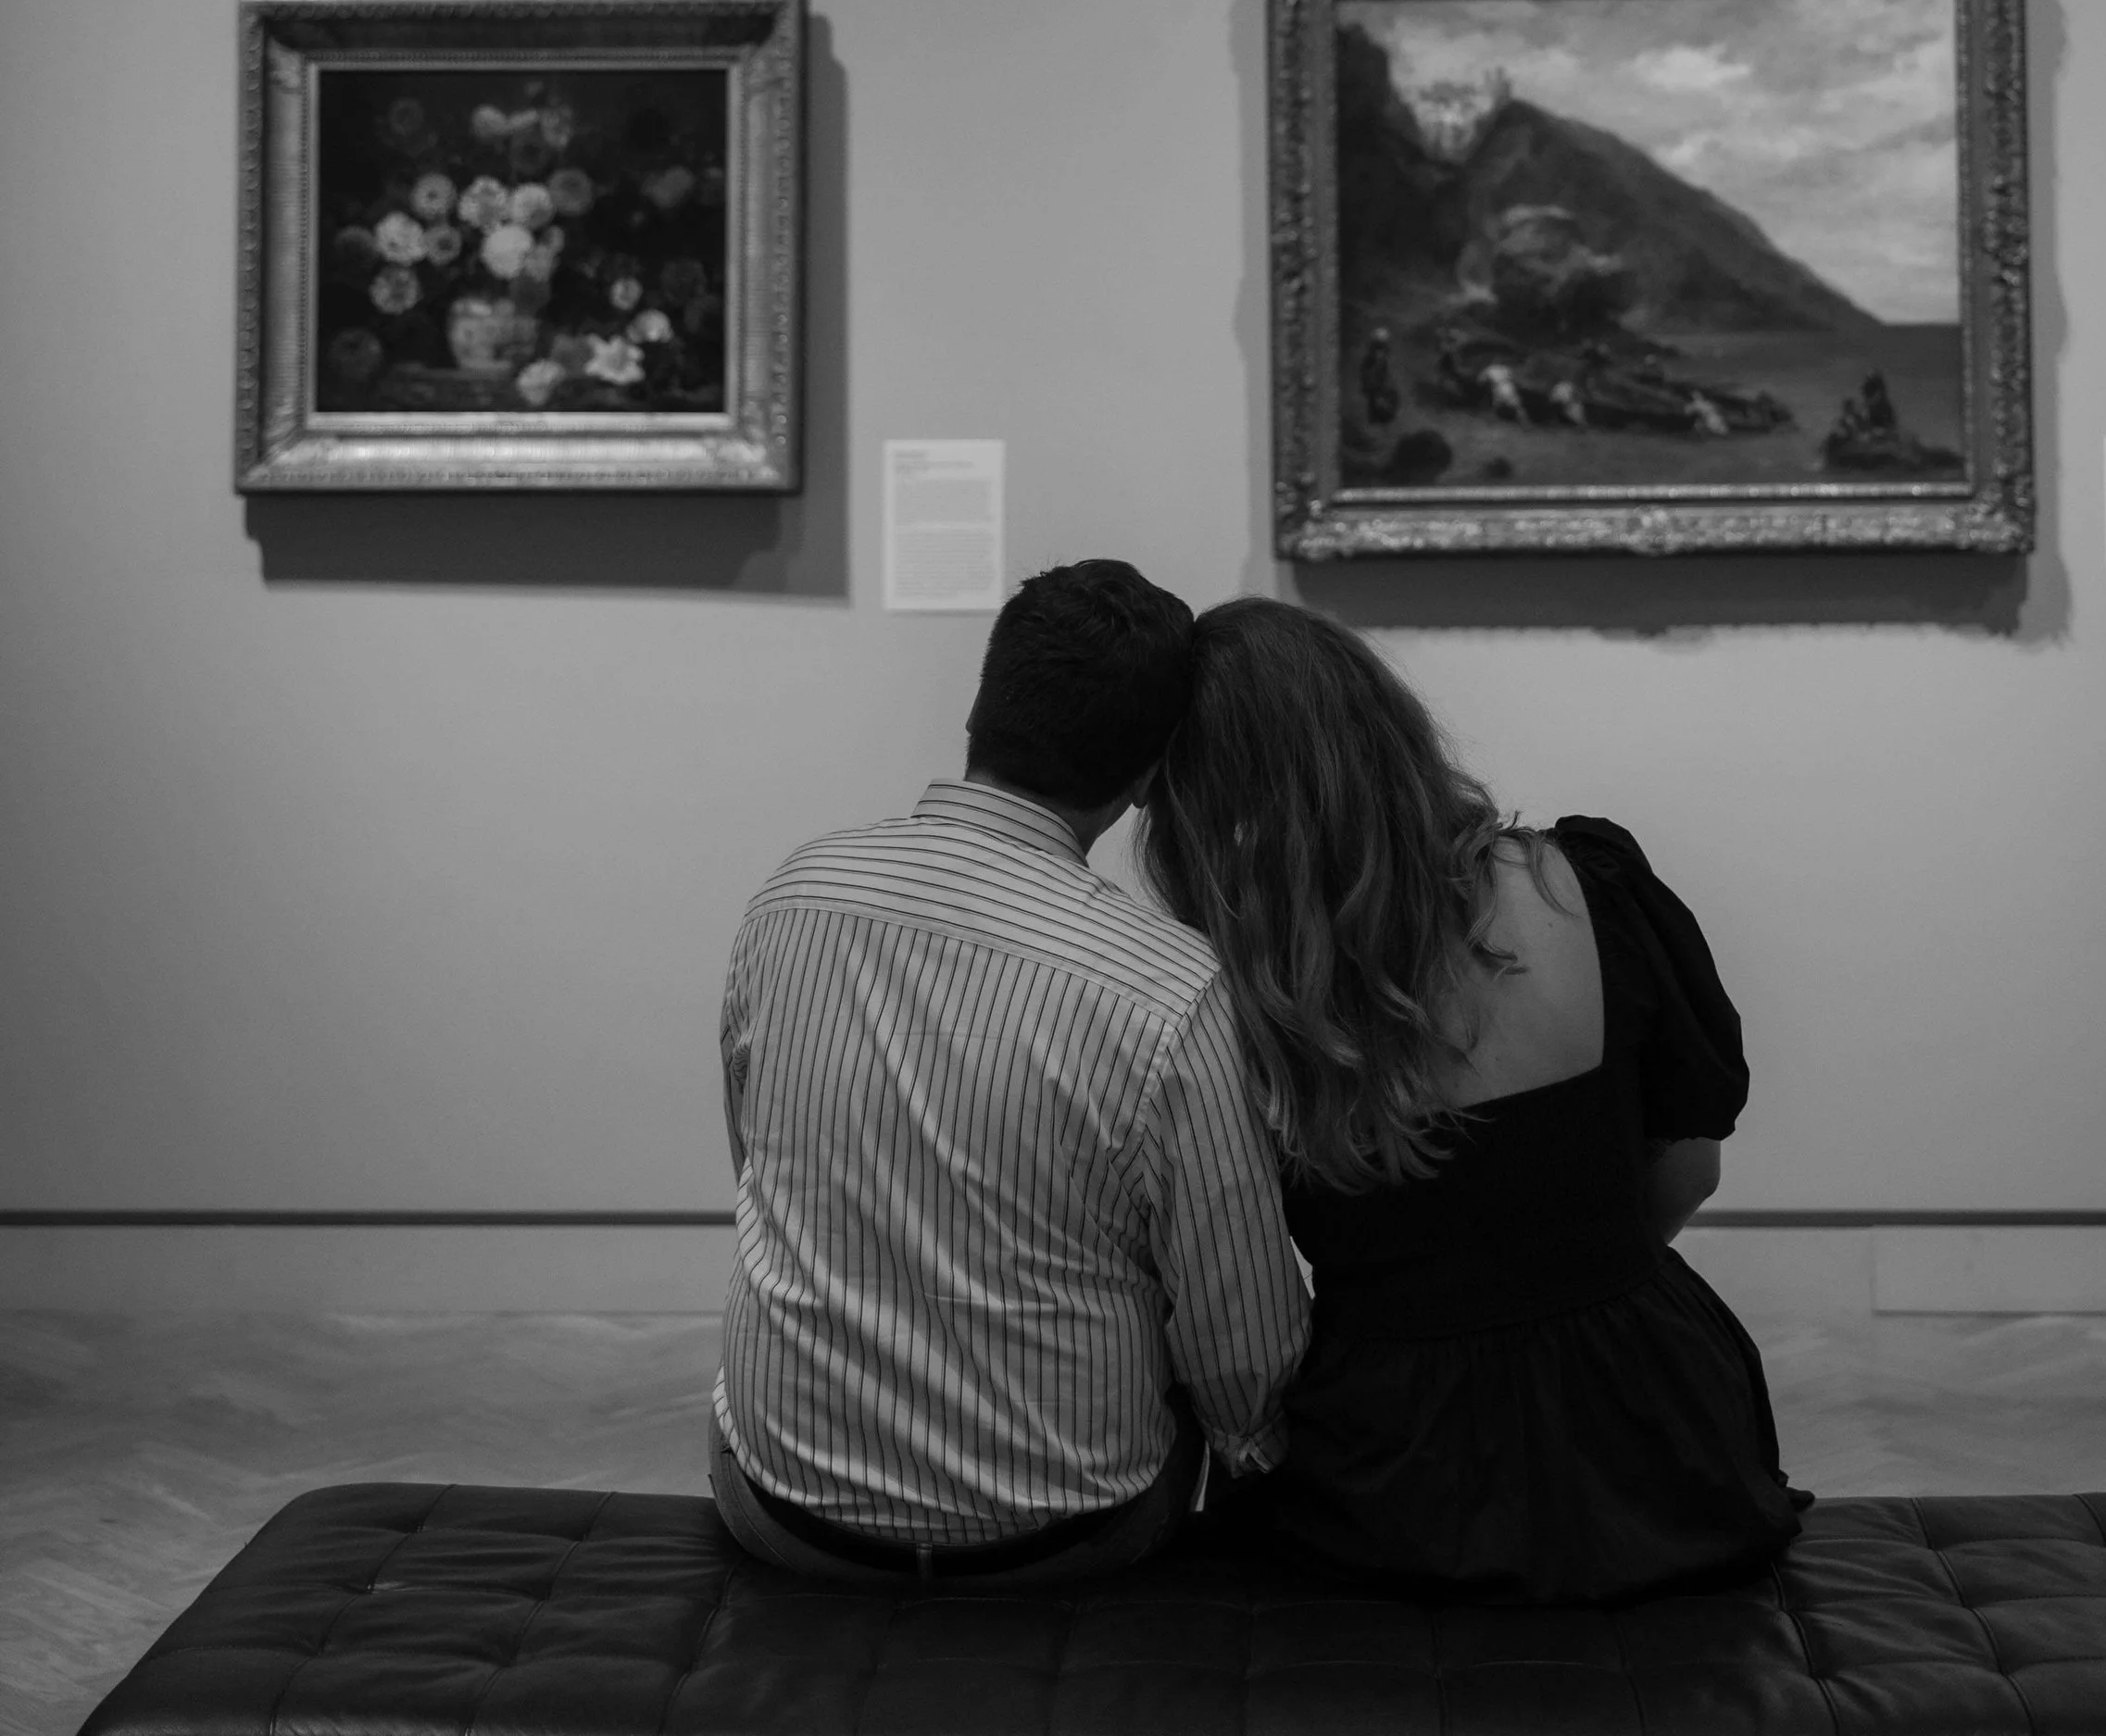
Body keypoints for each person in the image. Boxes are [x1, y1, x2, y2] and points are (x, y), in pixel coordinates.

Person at [1142, 600, 1806, 1603]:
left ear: (1202, 800)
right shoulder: (1587, 881)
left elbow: (1231, 1288)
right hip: (1658, 1430)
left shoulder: (1237, 991)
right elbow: (1689, 1165)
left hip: (1396, 1470)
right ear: (1382, 721)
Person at [710, 558, 1310, 1588]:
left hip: (783, 1513)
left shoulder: (796, 894)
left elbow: (759, 1175)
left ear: (982, 708)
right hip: (1066, 1544)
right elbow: (1241, 1348)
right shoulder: (1169, 988)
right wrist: (1263, 1472)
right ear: (1147, 775)